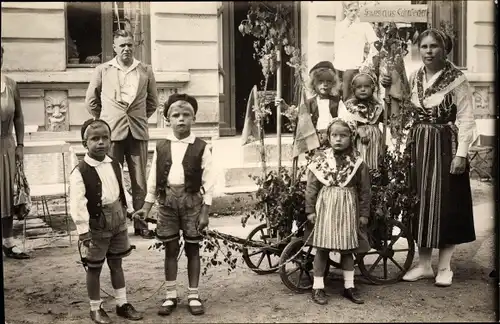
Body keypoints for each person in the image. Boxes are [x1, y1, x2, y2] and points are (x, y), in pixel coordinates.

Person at [383, 28, 478, 287]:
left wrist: (461, 155)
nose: (428, 51)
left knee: (447, 202)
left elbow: (467, 119)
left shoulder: (457, 79)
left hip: (446, 145)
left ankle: (445, 266)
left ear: (444, 49)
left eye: (433, 46)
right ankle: (424, 264)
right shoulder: (414, 78)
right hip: (419, 146)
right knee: (420, 202)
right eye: (423, 47)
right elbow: (402, 110)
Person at [133, 93, 215, 316]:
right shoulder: (161, 146)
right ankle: (170, 296)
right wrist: (147, 207)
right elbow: (153, 179)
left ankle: (193, 295)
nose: (181, 119)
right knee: (170, 249)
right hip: (167, 204)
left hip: (192, 204)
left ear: (194, 118)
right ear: (167, 119)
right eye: (176, 115)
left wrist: (205, 212)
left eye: (186, 115)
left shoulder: (201, 147)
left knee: (193, 248)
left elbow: (210, 181)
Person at [85, 29, 159, 239]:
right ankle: (114, 224)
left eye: (129, 45)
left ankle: (141, 224)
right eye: (122, 45)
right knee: (110, 179)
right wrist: (105, 122)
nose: (126, 49)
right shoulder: (103, 70)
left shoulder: (145, 70)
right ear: (114, 48)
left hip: (137, 132)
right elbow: (91, 100)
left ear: (133, 46)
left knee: (140, 181)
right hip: (111, 135)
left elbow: (152, 102)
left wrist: (137, 118)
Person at [70, 119, 143, 323]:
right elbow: (77, 203)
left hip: (118, 222)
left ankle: (122, 303)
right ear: (85, 144)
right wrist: (83, 230)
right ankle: (95, 307)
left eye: (105, 138)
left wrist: (129, 211)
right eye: (95, 139)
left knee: (116, 263)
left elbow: (121, 189)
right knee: (94, 267)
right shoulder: (80, 171)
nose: (101, 142)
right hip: (97, 225)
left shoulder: (115, 164)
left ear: (110, 140)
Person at [305, 118, 371, 305]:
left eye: (343, 135)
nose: (338, 139)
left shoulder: (357, 162)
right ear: (328, 137)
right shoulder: (320, 160)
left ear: (351, 137)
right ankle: (318, 287)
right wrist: (310, 210)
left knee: (347, 249)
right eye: (334, 135)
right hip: (325, 208)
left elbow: (365, 190)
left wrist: (364, 214)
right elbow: (311, 187)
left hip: (348, 208)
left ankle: (349, 286)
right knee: (322, 248)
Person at [1, 45, 30, 259]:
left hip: (6, 145)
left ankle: (8, 241)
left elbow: (18, 116)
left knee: (8, 193)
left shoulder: (10, 85)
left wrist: (20, 145)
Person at [275, 61, 342, 152]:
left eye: (328, 81)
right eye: (320, 81)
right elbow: (298, 115)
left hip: (333, 139)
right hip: (315, 140)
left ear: (333, 84)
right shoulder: (309, 103)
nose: (325, 84)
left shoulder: (337, 102)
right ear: (314, 84)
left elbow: (344, 119)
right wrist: (286, 107)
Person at [338, 66, 384, 170]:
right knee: (360, 162)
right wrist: (358, 130)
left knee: (375, 162)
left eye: (366, 86)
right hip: (358, 140)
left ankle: (375, 179)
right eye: (359, 87)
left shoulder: (377, 106)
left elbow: (386, 119)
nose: (363, 89)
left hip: (375, 140)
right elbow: (346, 124)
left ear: (372, 88)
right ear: (353, 89)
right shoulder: (350, 106)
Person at [334, 1, 379, 101]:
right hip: (339, 69)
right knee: (337, 99)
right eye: (351, 10)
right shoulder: (339, 26)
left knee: (349, 99)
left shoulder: (364, 25)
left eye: (356, 10)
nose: (354, 13)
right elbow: (336, 48)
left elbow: (376, 46)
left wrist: (367, 64)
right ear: (345, 11)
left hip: (354, 68)